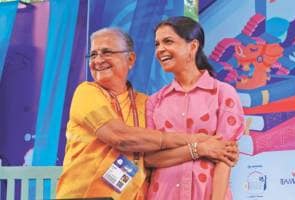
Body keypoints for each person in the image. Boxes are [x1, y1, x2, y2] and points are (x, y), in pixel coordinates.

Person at [56, 27, 239, 199]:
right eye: (93, 54)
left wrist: (214, 149)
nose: (98, 60)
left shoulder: (147, 102)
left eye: (107, 52)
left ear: (131, 59)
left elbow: (156, 156)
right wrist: (199, 141)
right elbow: (119, 136)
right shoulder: (86, 92)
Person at [145, 16, 245, 200]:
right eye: (157, 44)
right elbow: (150, 159)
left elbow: (225, 157)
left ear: (193, 46)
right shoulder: (155, 101)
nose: (160, 50)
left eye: (168, 41)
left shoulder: (222, 93)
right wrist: (199, 148)